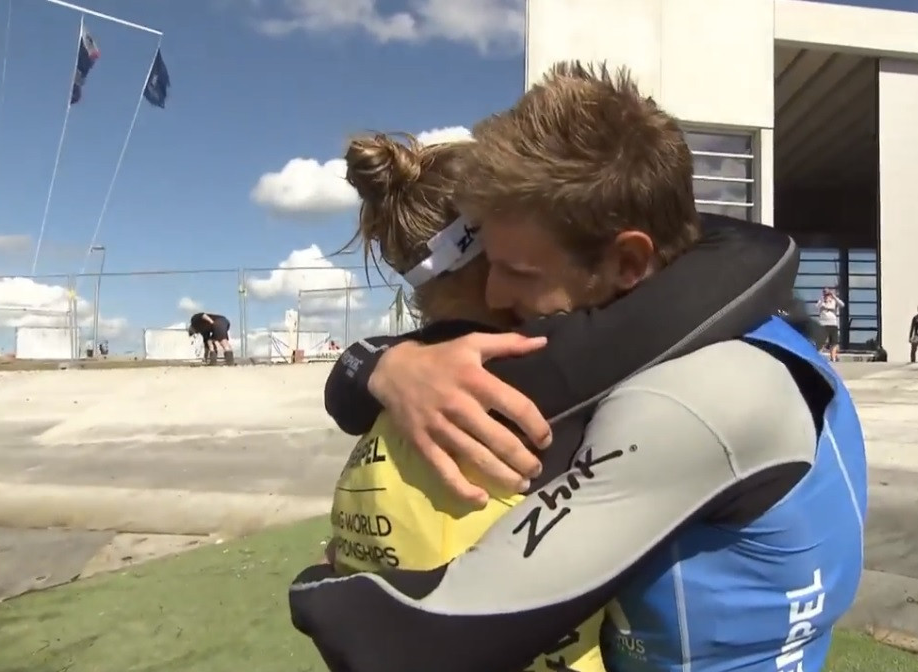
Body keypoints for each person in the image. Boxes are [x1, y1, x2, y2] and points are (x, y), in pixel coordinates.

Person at [289, 61, 867, 672]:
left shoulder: (700, 397)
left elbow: (409, 641)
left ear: (626, 262)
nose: (494, 296)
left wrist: (327, 579)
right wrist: (387, 365)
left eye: (518, 270)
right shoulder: (733, 325)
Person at [815, 287, 844, 362]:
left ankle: (833, 358)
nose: (827, 294)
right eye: (825, 293)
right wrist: (822, 299)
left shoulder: (834, 301)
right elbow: (816, 307)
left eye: (828, 293)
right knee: (821, 342)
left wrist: (834, 296)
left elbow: (842, 304)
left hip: (833, 324)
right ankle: (817, 356)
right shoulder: (821, 301)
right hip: (823, 324)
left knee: (833, 342)